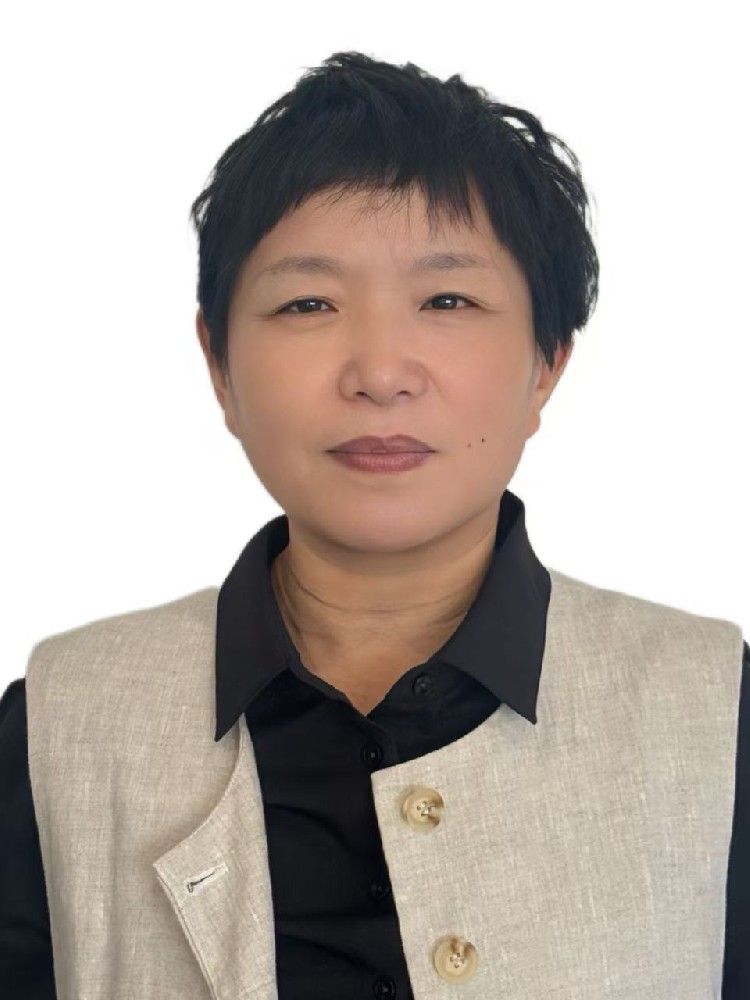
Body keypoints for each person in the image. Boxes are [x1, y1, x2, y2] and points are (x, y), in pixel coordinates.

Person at [1, 49, 747, 1000]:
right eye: (308, 302)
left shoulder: (715, 713)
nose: (381, 372)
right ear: (220, 365)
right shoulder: (59, 726)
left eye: (448, 300)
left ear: (547, 362)